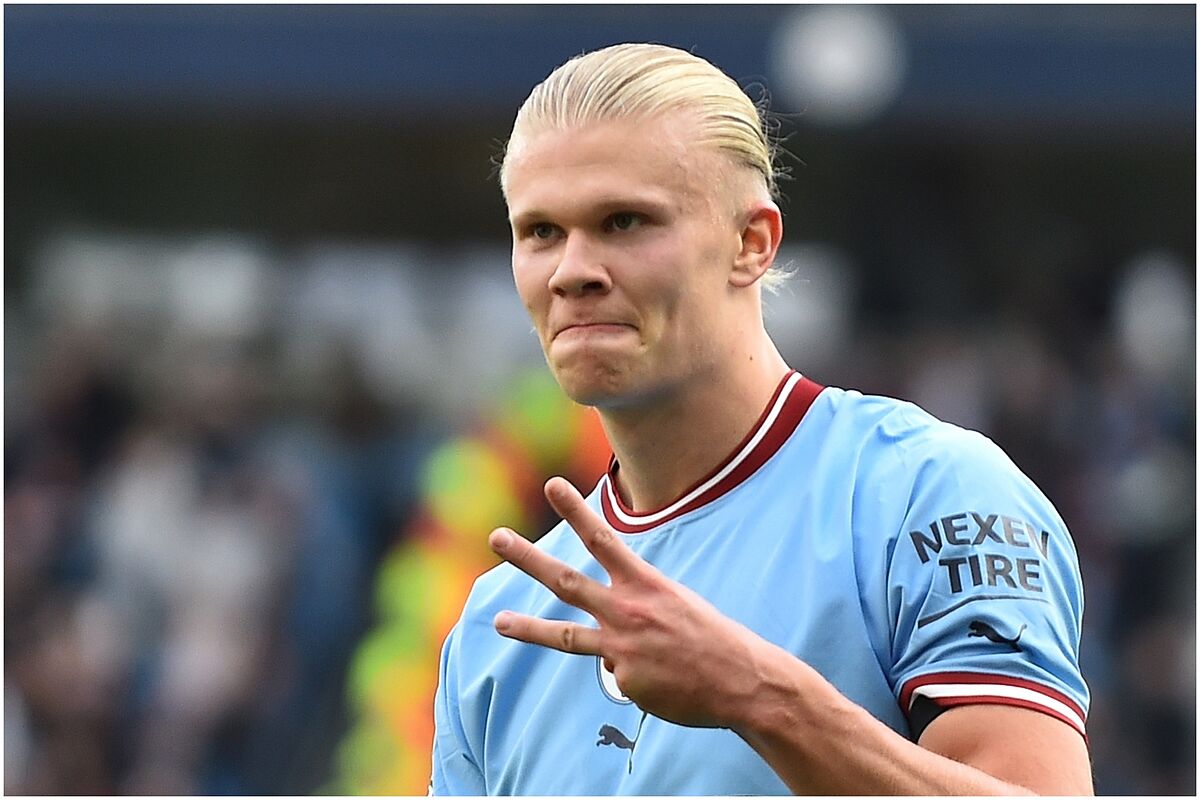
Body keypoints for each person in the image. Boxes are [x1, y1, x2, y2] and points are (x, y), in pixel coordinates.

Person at [430, 42, 1092, 795]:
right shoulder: (496, 626)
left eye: (624, 221)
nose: (572, 270)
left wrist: (758, 694)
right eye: (541, 232)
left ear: (751, 244)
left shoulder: (926, 496)